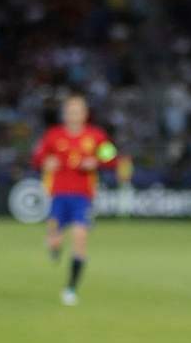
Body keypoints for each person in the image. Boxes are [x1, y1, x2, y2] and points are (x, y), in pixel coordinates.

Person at [31, 96, 124, 306]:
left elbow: (112, 157)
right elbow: (37, 158)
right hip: (58, 195)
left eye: (78, 111)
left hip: (83, 197)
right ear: (65, 114)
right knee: (54, 237)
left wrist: (97, 161)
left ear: (85, 114)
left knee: (80, 237)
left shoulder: (96, 136)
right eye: (70, 111)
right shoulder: (53, 136)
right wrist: (46, 162)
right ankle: (54, 245)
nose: (74, 115)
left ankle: (71, 288)